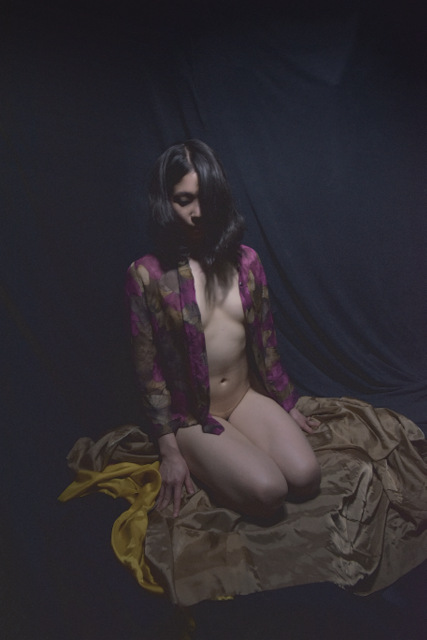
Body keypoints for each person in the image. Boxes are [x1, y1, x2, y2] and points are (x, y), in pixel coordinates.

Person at [126, 139, 321, 519]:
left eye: (207, 198)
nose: (199, 213)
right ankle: (208, 454)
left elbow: (266, 341)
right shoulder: (146, 274)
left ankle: (241, 448)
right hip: (194, 416)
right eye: (184, 200)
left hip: (244, 397)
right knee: (269, 491)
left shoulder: (246, 262)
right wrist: (168, 449)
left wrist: (286, 403)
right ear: (165, 201)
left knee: (306, 476)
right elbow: (147, 371)